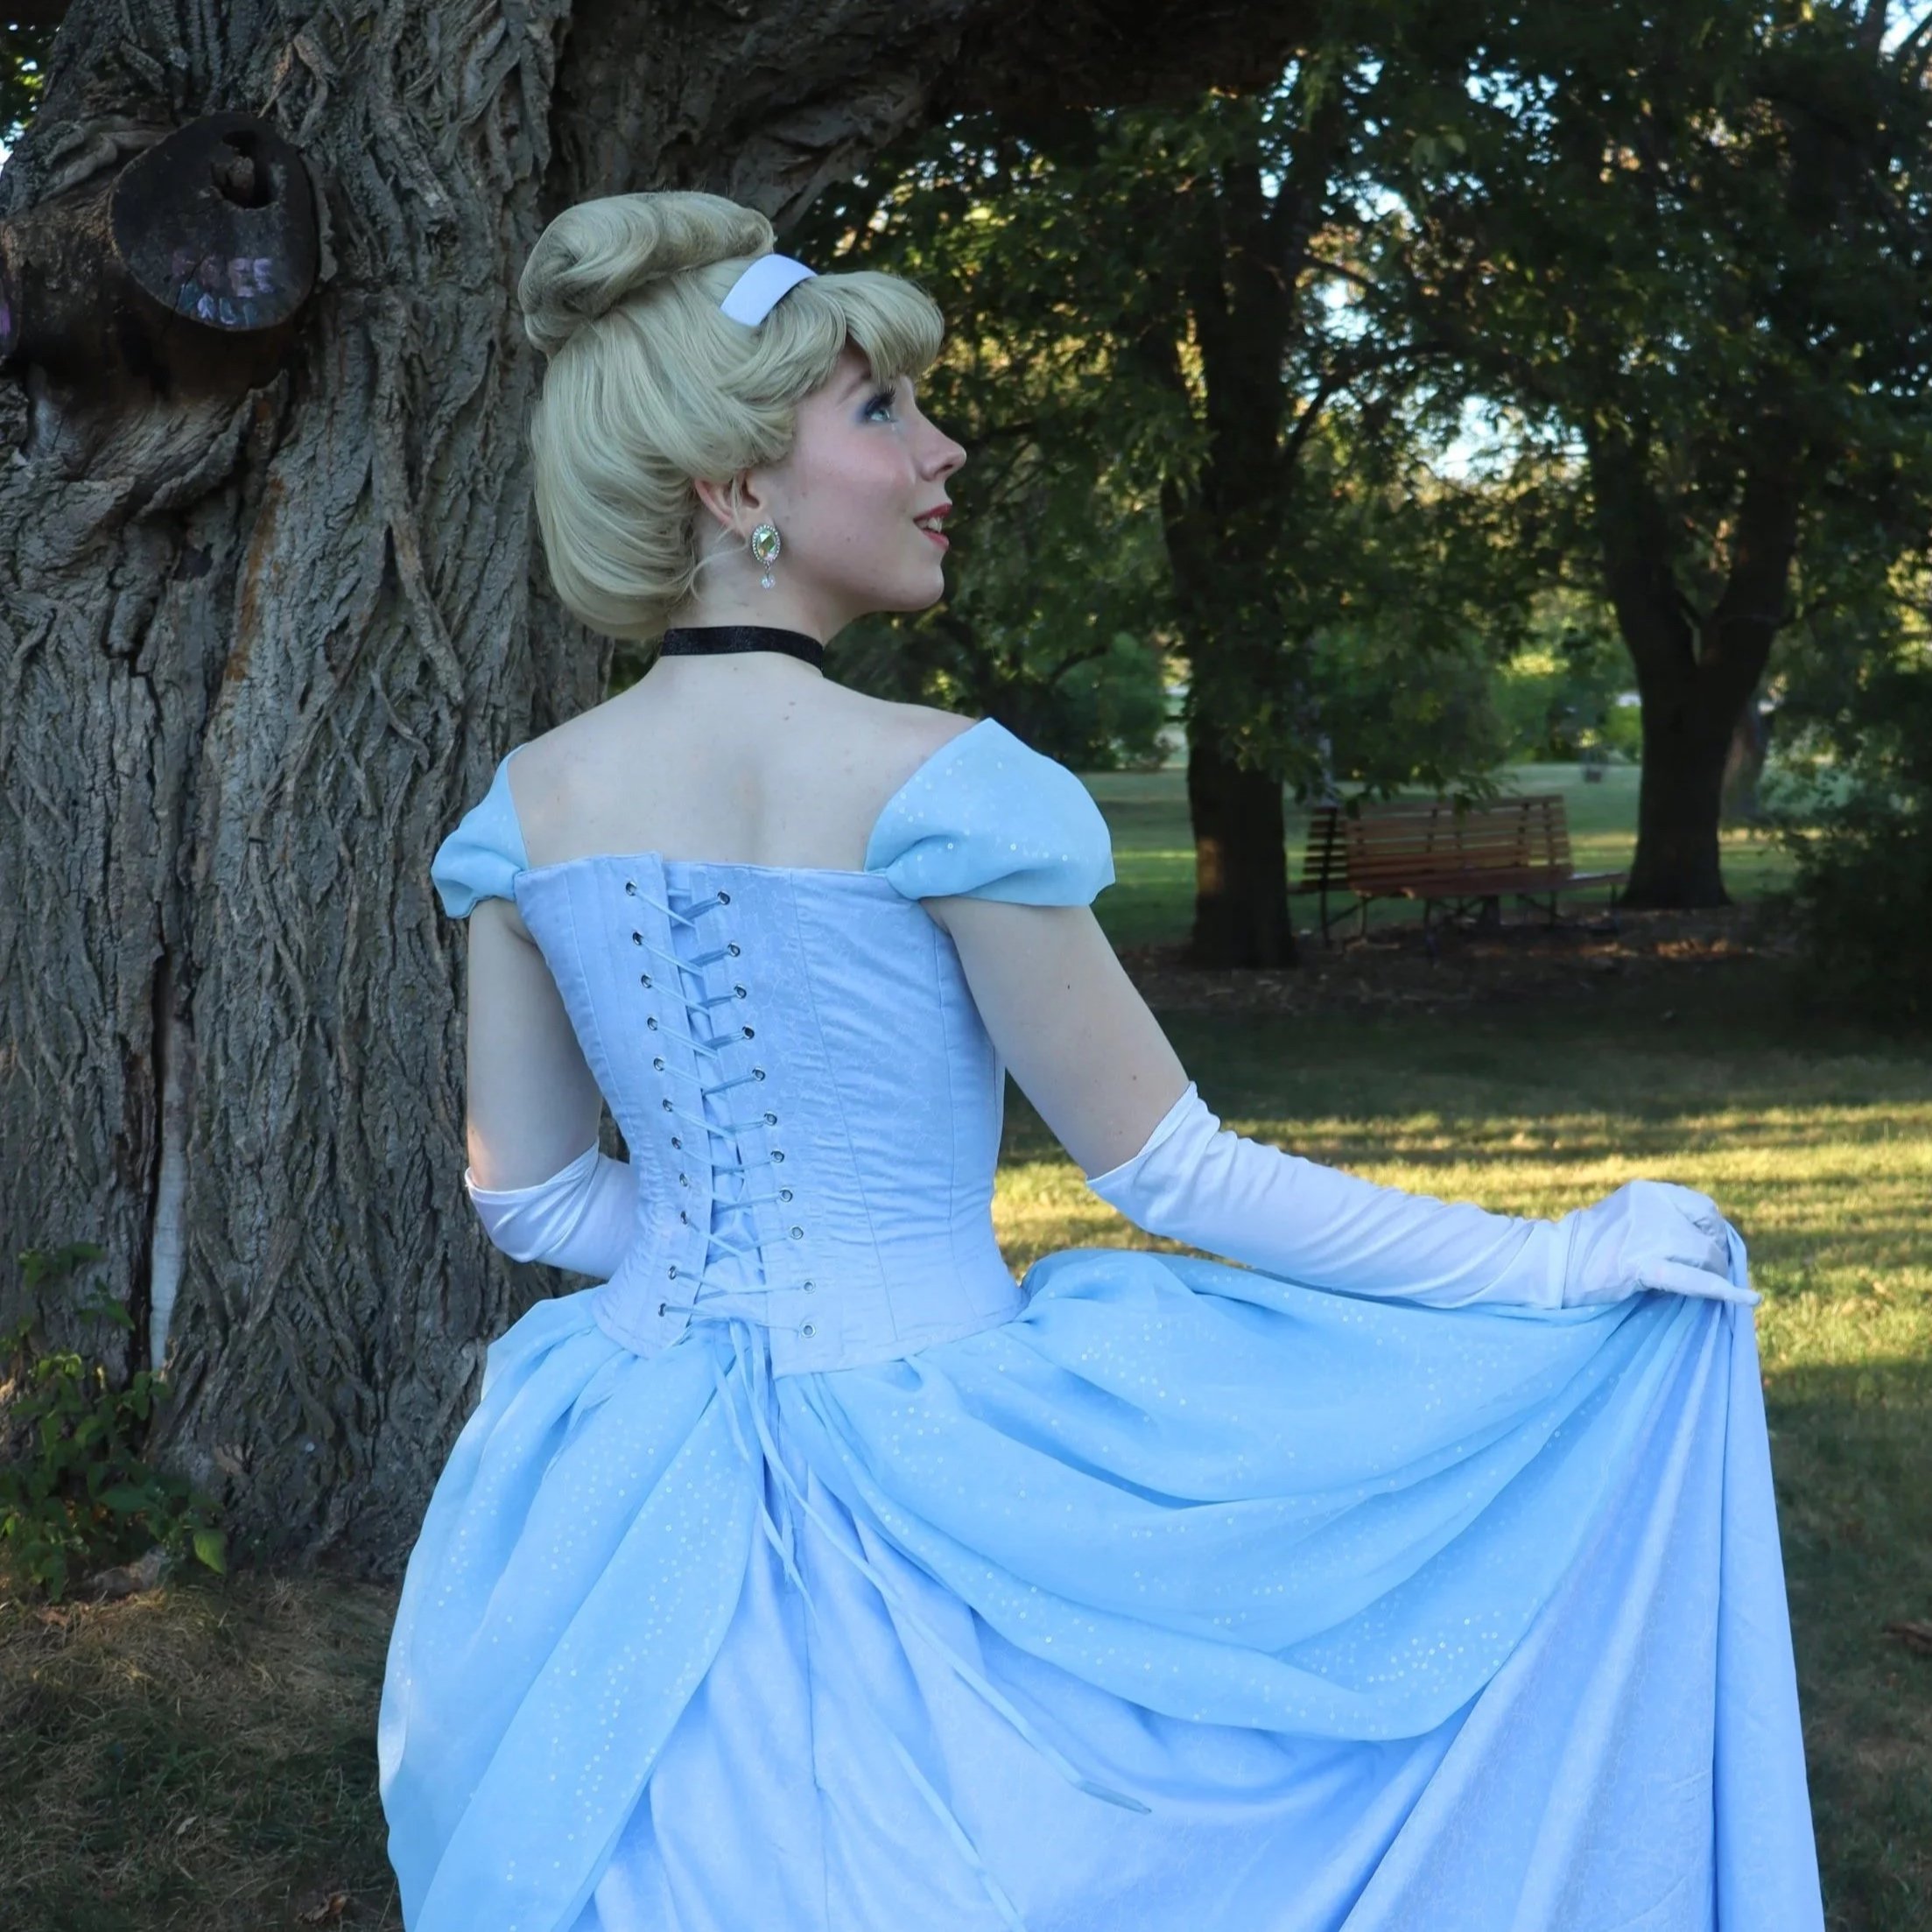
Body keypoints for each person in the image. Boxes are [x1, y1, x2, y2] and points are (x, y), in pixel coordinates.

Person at [378, 190, 1823, 1932]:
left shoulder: (525, 810)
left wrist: (714, 1269)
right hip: (939, 1439)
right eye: (882, 409)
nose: (944, 450)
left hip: (623, 1455)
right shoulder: (944, 783)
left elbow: (531, 1195)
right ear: (736, 483)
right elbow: (1169, 1169)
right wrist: (1551, 1263)